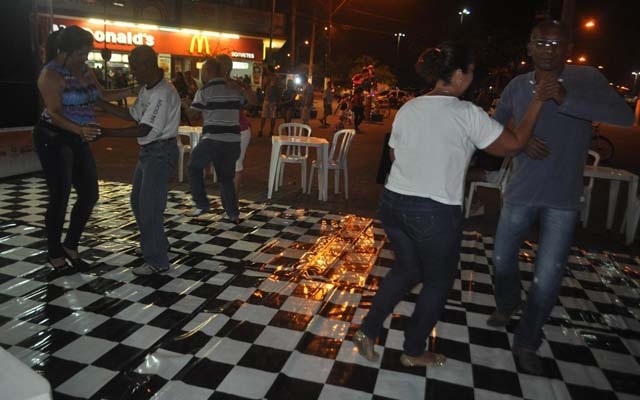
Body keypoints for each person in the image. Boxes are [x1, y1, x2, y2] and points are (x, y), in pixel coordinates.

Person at [352, 41, 546, 367]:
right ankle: (413, 351)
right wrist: (538, 100)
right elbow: (513, 145)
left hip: (393, 204)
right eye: (470, 73)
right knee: (438, 281)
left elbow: (394, 155)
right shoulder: (466, 113)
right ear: (457, 75)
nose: (471, 78)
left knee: (407, 268)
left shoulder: (410, 108)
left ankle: (368, 330)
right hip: (434, 211)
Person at [487, 20, 634, 375]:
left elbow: (626, 117)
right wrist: (518, 139)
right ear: (529, 47)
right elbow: (494, 123)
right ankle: (508, 301)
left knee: (548, 275)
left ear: (568, 48)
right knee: (502, 258)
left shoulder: (587, 79)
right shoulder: (518, 85)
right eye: (541, 42)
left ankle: (527, 340)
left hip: (563, 198)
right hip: (522, 189)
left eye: (556, 43)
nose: (548, 48)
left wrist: (567, 100)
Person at [34, 26, 136, 270]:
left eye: (87, 54)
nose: (85, 59)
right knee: (61, 195)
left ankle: (70, 244)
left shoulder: (84, 70)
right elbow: (54, 113)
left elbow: (100, 96)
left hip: (79, 137)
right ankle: (54, 251)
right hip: (54, 137)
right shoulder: (50, 75)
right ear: (65, 51)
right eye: (81, 54)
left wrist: (133, 90)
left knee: (90, 194)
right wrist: (79, 129)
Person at [97, 45, 180, 276]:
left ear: (147, 65)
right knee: (138, 202)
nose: (132, 72)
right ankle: (158, 245)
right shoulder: (147, 89)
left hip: (159, 152)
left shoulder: (163, 93)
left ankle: (157, 261)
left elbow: (144, 129)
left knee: (149, 208)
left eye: (134, 67)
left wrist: (106, 133)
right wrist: (101, 105)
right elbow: (132, 116)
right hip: (150, 152)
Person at [186, 58, 247, 223]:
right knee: (226, 178)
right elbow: (246, 102)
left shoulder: (204, 91)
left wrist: (185, 104)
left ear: (207, 72)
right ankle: (232, 213)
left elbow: (193, 114)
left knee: (193, 166)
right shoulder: (233, 89)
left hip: (212, 139)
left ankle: (202, 202)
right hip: (233, 141)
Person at [215, 53, 256, 196]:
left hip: (238, 130)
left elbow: (252, 101)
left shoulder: (231, 85)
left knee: (234, 166)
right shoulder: (225, 84)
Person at [258, 66, 279, 136]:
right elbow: (263, 88)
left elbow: (272, 86)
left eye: (267, 70)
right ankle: (262, 130)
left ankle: (269, 131)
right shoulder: (269, 78)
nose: (266, 71)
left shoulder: (274, 77)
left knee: (270, 116)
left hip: (272, 100)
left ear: (270, 70)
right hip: (269, 99)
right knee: (265, 116)